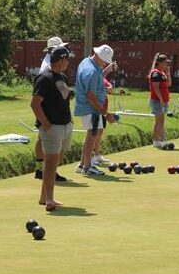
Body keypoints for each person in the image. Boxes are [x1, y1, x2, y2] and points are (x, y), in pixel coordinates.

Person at [31, 46, 74, 211]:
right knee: (50, 163)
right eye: (67, 60)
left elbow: (62, 98)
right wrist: (46, 125)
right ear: (61, 60)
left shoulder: (61, 77)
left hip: (65, 125)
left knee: (56, 160)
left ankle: (44, 197)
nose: (68, 63)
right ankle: (49, 199)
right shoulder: (44, 78)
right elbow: (35, 104)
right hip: (52, 127)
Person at [74, 44, 117, 176]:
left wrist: (107, 69)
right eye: (104, 60)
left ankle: (82, 164)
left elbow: (99, 77)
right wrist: (105, 113)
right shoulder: (91, 71)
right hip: (91, 108)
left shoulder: (87, 62)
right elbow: (91, 96)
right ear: (97, 55)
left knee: (91, 135)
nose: (105, 63)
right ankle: (87, 167)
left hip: (89, 107)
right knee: (92, 135)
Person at [34, 36, 68, 183]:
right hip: (48, 111)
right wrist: (45, 122)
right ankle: (43, 170)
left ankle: (43, 170)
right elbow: (39, 96)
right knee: (43, 139)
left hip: (52, 111)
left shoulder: (53, 64)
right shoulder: (47, 68)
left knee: (42, 139)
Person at [148, 53, 172, 148]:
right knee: (160, 121)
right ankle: (161, 141)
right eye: (166, 63)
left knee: (159, 121)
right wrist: (161, 99)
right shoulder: (155, 73)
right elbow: (155, 87)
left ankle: (156, 140)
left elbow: (169, 84)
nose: (167, 65)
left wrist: (168, 73)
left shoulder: (162, 73)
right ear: (160, 63)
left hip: (163, 100)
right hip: (158, 101)